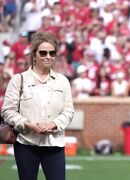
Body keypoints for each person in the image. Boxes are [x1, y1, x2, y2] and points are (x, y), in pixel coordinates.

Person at [1, 31, 74, 180]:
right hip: (26, 143)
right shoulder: (18, 80)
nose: (48, 56)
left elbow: (68, 111)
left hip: (55, 143)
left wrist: (54, 124)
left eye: (52, 53)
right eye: (43, 52)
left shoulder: (63, 81)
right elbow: (8, 111)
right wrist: (28, 125)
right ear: (34, 54)